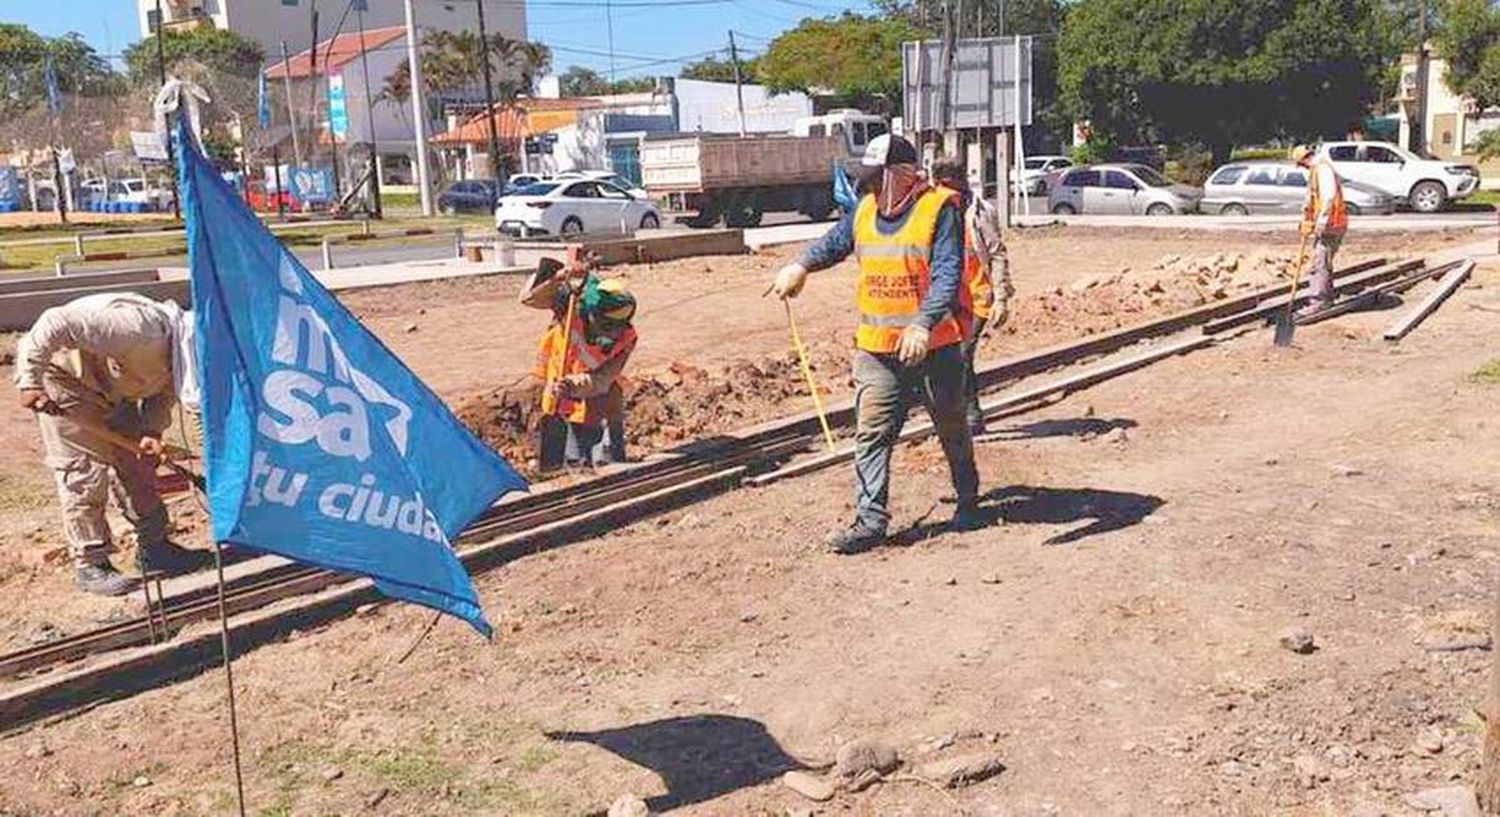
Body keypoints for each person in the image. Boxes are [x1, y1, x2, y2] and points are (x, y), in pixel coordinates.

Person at [770, 134, 982, 554]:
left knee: (952, 426)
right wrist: (800, 265)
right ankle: (870, 521)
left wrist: (923, 324)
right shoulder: (865, 209)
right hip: (878, 349)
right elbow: (835, 243)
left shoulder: (938, 209)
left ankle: (969, 500)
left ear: (903, 175)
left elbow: (947, 273)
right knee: (872, 432)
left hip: (933, 347)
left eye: (876, 176)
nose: (867, 185)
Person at [12, 293, 210, 596]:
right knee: (84, 472)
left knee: (138, 464)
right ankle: (92, 564)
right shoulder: (136, 330)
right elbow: (55, 321)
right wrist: (30, 380)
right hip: (64, 378)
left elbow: (164, 393)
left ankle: (155, 549)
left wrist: (150, 431)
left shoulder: (184, 359)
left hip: (113, 390)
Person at [522, 255, 638, 471]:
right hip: (557, 373)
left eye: (618, 326)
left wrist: (574, 385)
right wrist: (558, 278)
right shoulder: (572, 305)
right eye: (607, 325)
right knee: (555, 409)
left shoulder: (627, 338)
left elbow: (603, 378)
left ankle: (609, 457)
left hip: (589, 383)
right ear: (592, 314)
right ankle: (558, 464)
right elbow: (529, 298)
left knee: (610, 397)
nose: (613, 332)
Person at [930, 159, 1011, 436]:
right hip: (946, 297)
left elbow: (997, 253)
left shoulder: (978, 213)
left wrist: (1001, 297)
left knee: (963, 354)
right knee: (947, 358)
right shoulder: (933, 210)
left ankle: (971, 417)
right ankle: (959, 413)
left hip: (978, 297)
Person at [1291, 144, 1348, 316]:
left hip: (1332, 224)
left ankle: (1319, 301)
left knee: (1319, 262)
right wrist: (1306, 214)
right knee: (1324, 261)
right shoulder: (1316, 171)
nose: (1303, 168)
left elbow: (1328, 196)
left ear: (1305, 160)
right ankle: (1326, 298)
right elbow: (1312, 196)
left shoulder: (1323, 170)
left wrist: (1321, 221)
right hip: (1328, 224)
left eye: (1301, 165)